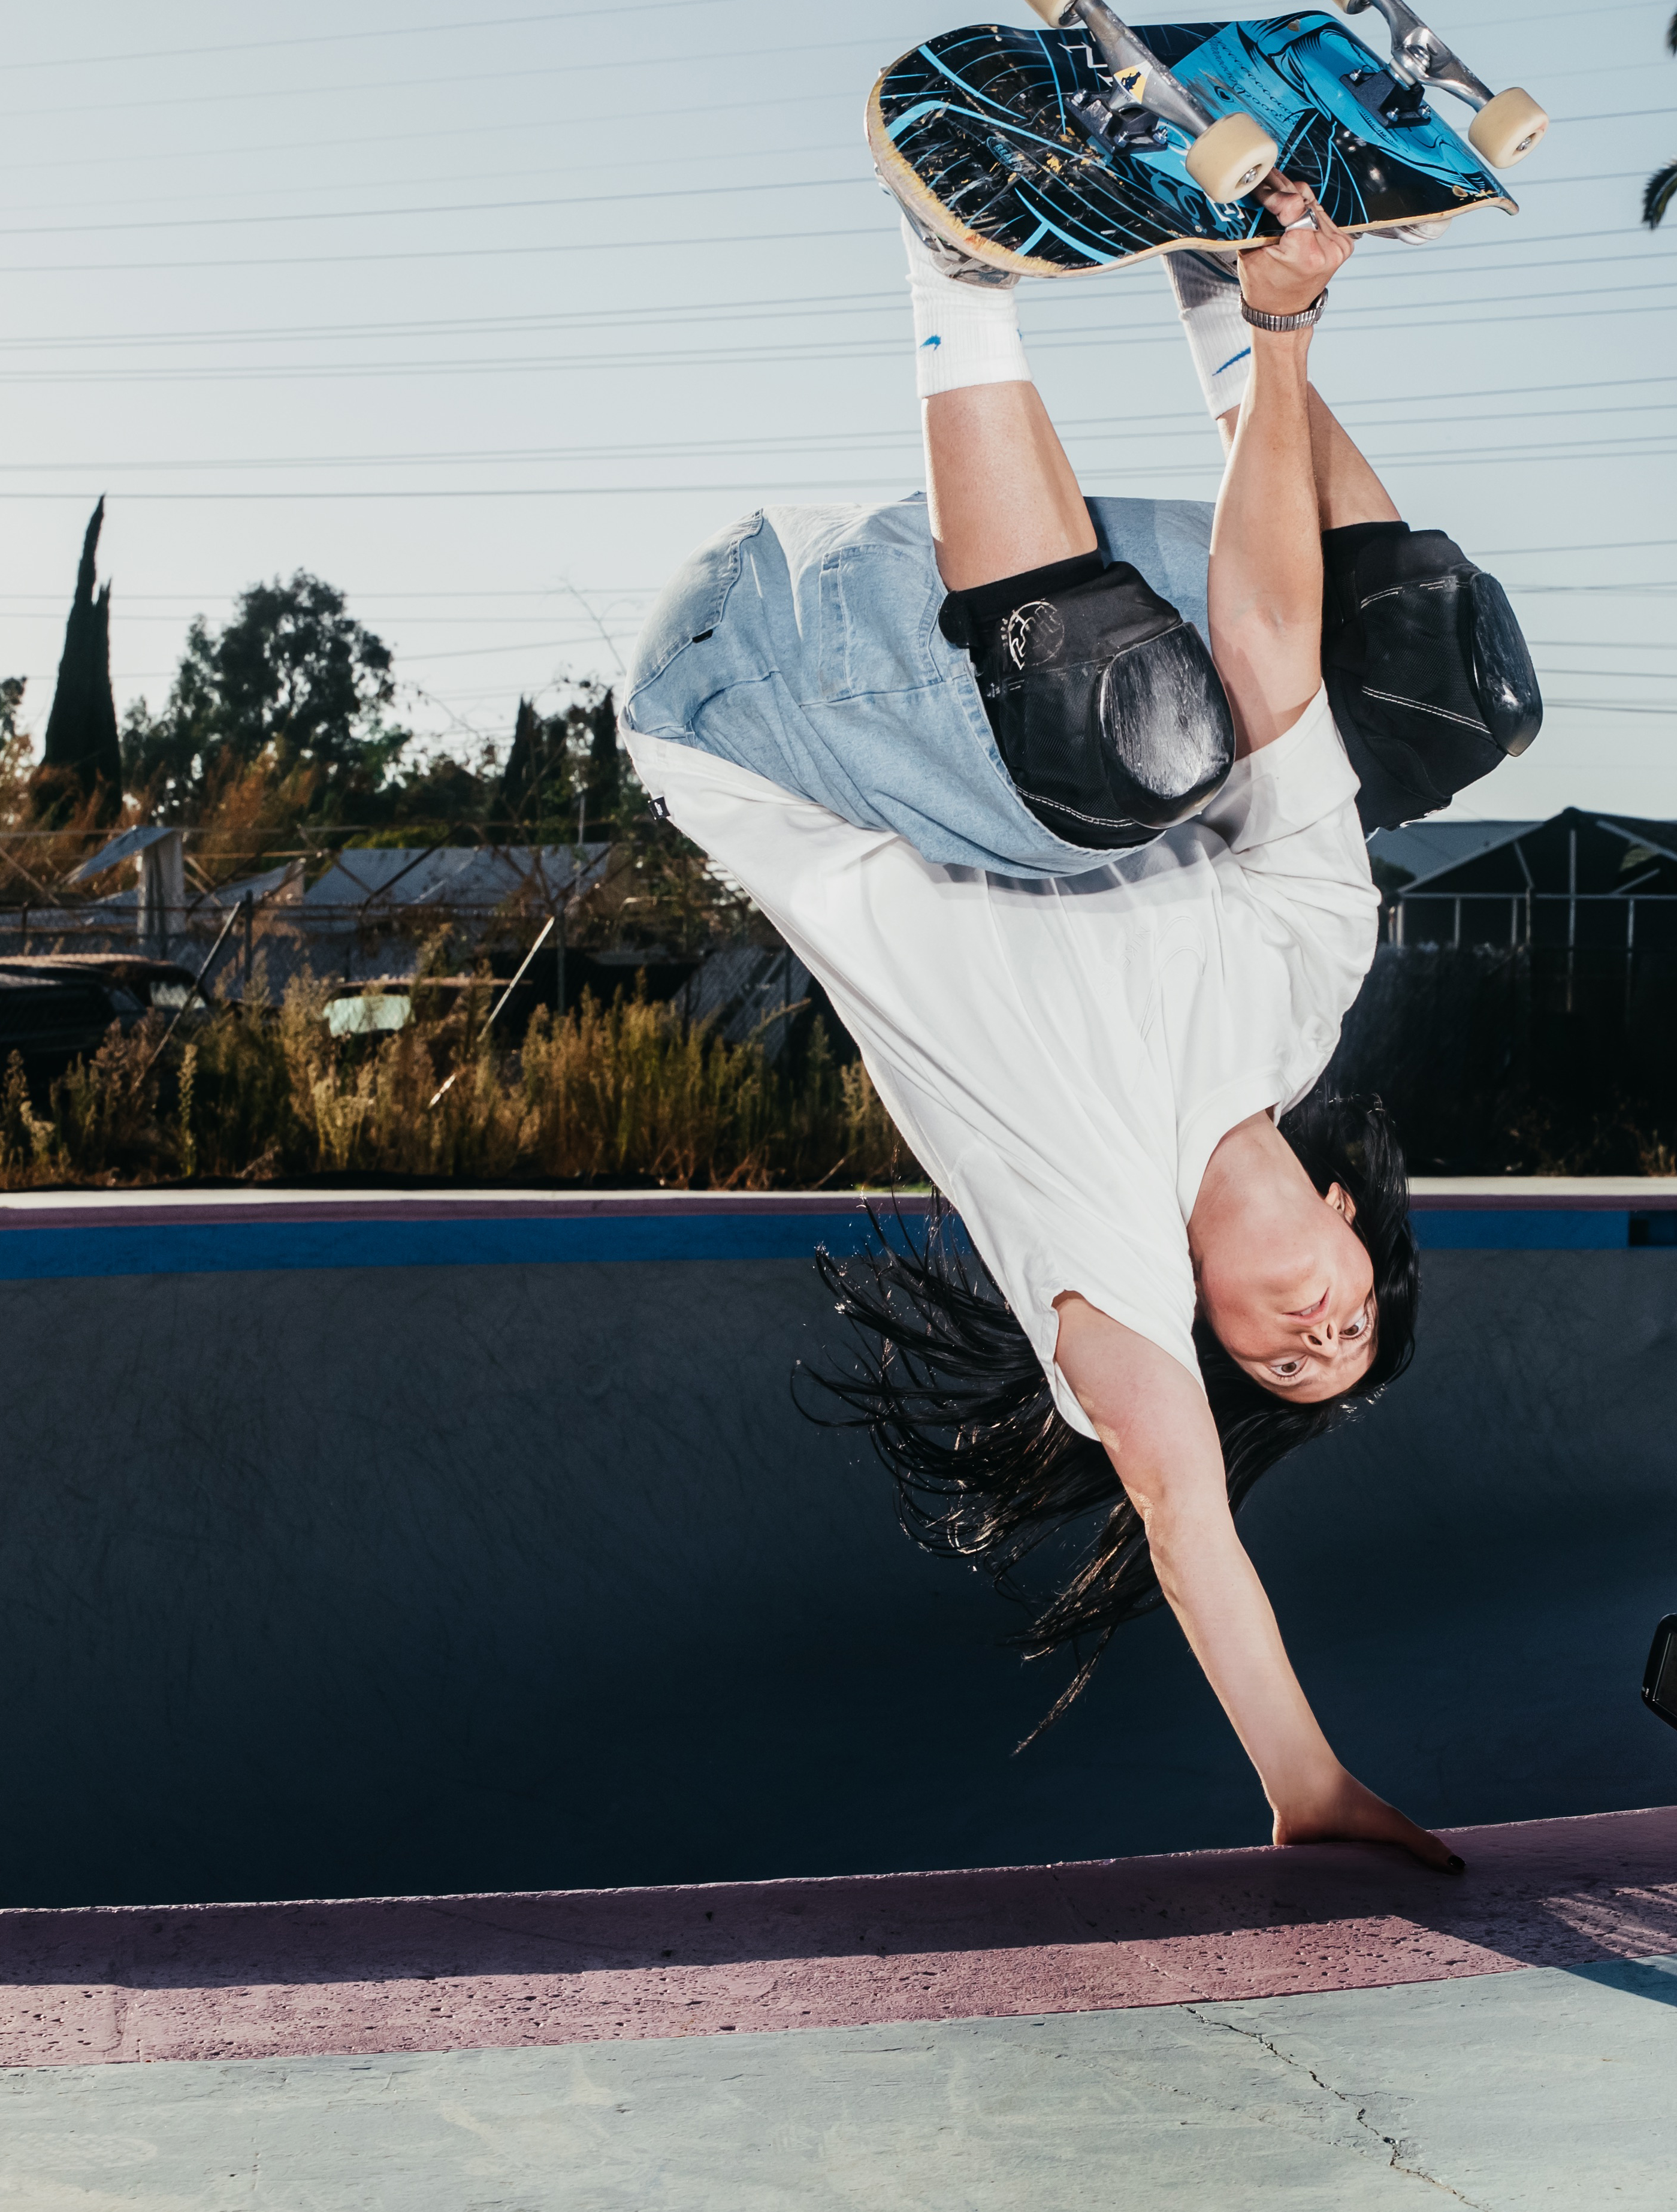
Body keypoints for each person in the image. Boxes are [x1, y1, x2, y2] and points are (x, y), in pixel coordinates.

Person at [618, 180, 1533, 1872]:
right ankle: (1223, 272)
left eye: (1287, 1358)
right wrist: (1284, 323)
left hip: (758, 695)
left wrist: (1308, 1780)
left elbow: (1183, 1512)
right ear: (1349, 1219)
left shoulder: (1102, 1251)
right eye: (1351, 1320)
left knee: (1138, 756)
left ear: (1206, 1330)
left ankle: (953, 267)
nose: (1318, 1329)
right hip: (953, 618)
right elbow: (1268, 637)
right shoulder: (1312, 971)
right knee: (1441, 695)